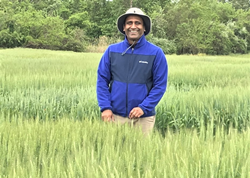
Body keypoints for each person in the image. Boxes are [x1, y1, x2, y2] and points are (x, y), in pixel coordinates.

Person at [96, 7, 168, 135]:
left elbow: (160, 86)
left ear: (144, 28)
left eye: (138, 23)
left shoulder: (156, 53)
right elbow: (102, 80)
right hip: (115, 116)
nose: (133, 26)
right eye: (129, 23)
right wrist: (105, 108)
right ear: (124, 27)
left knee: (142, 154)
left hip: (143, 118)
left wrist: (143, 108)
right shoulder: (112, 51)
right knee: (114, 153)